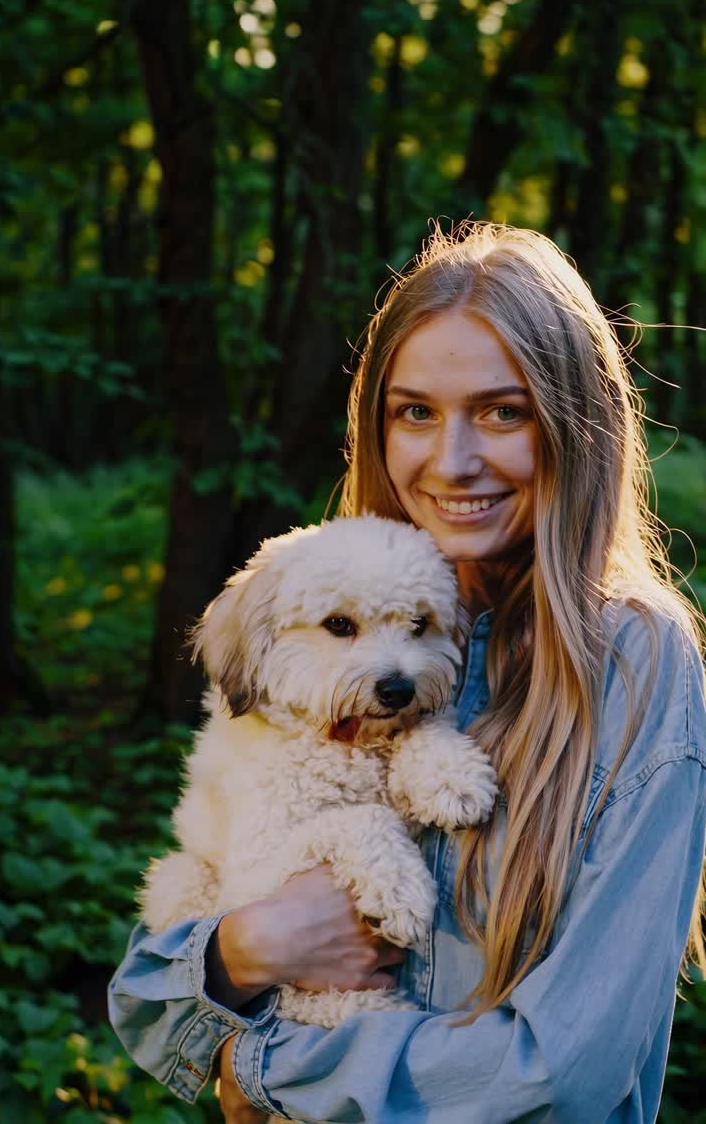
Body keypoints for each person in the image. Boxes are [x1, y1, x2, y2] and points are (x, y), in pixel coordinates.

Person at [109, 222, 706, 1123]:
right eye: (415, 411)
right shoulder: (320, 633)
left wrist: (266, 1067)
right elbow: (146, 1001)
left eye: (502, 412)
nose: (453, 460)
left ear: (575, 427)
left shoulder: (633, 666)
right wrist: (246, 947)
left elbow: (564, 1071)